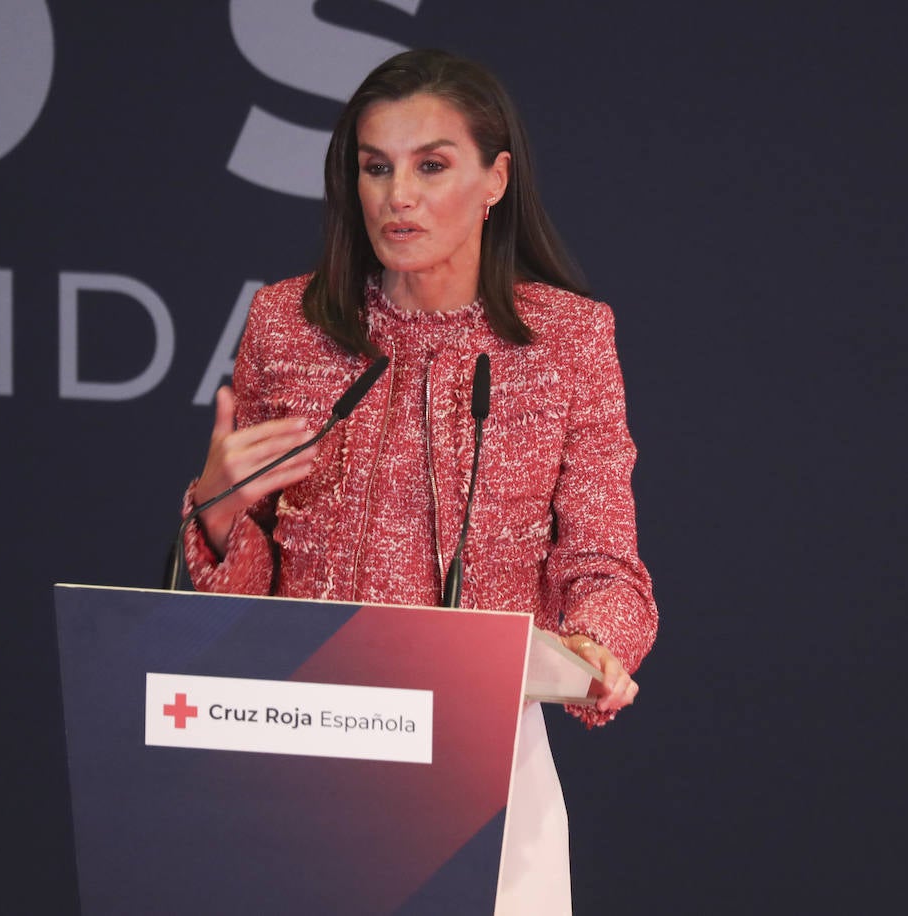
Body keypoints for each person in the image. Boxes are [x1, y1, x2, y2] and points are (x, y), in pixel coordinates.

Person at [181, 48, 656, 914]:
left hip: (480, 757)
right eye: (375, 167)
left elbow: (605, 565)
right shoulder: (289, 322)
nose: (397, 196)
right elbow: (239, 599)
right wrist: (218, 511)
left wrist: (597, 644)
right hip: (300, 741)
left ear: (494, 180)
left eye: (431, 165)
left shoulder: (568, 341)